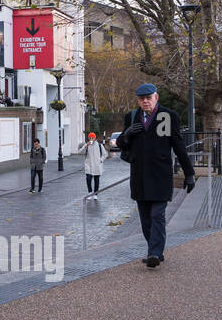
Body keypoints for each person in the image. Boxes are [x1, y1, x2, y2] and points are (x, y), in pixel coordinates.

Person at [116, 83, 195, 269]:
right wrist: (126, 135)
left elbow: (179, 146)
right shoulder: (132, 117)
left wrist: (189, 173)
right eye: (141, 99)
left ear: (156, 98)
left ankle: (154, 252)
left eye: (148, 98)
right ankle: (155, 249)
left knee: (157, 215)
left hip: (160, 175)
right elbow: (120, 144)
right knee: (145, 219)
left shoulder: (168, 117)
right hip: (139, 177)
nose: (145, 101)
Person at [79, 131, 107, 199]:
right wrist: (86, 145)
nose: (91, 139)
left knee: (96, 180)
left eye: (92, 137)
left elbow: (105, 154)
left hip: (97, 165)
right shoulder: (87, 145)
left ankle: (95, 194)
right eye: (90, 138)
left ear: (95, 138)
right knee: (88, 179)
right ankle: (90, 192)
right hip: (89, 165)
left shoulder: (100, 145)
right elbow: (80, 152)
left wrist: (101, 160)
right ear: (88, 138)